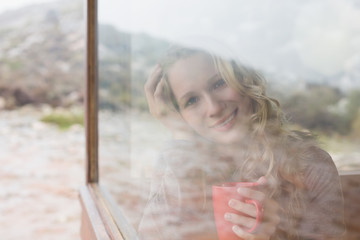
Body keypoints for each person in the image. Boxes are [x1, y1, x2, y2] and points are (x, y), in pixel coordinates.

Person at [138, 45, 346, 240]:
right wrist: (180, 137)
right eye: (191, 101)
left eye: (219, 83)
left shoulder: (311, 165)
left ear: (243, 81)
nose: (214, 108)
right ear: (180, 114)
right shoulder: (178, 163)